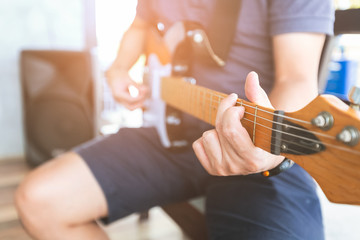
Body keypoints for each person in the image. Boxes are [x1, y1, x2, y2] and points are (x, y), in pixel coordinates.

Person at [15, 0, 334, 239]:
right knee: (39, 200)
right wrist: (118, 68)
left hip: (259, 145)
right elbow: (140, 25)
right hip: (170, 135)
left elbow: (297, 78)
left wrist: (268, 148)